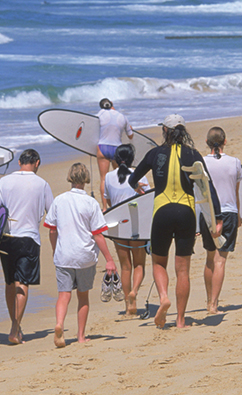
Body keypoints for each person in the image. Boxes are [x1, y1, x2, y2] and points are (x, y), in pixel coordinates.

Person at [128, 114, 205, 329]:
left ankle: (163, 297)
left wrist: (137, 187)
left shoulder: (154, 153)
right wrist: (215, 219)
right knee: (183, 270)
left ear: (165, 131)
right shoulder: (193, 154)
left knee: (159, 263)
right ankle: (180, 320)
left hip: (162, 212)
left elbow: (133, 179)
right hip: (186, 213)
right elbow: (208, 188)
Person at [0, 149, 54, 345]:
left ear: (20, 162)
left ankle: (15, 324)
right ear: (37, 163)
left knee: (9, 282)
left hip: (6, 239)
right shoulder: (42, 184)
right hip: (29, 239)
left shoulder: (4, 182)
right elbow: (53, 215)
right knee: (22, 282)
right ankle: (15, 328)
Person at [44, 163, 117, 348]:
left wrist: (55, 249)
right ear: (85, 179)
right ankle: (81, 336)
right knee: (83, 296)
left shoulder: (59, 200)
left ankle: (59, 324)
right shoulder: (91, 203)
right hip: (85, 256)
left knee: (64, 294)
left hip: (64, 255)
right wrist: (109, 259)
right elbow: (97, 234)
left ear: (70, 177)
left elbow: (52, 231)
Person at [102, 144, 149, 315]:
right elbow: (147, 200)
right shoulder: (140, 174)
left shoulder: (108, 177)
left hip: (118, 225)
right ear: (132, 159)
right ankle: (134, 292)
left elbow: (107, 202)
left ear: (115, 159)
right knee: (139, 264)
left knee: (125, 266)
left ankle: (128, 306)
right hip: (137, 225)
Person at [201, 127, 242, 314]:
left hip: (208, 213)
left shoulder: (200, 163)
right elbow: (235, 192)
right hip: (228, 212)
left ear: (207, 143)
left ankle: (209, 299)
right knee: (220, 261)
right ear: (225, 141)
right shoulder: (234, 162)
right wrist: (239, 214)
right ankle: (214, 304)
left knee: (210, 258)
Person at [96, 98, 134, 184]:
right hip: (117, 149)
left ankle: (105, 198)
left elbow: (93, 131)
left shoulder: (99, 115)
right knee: (120, 176)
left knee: (103, 179)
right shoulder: (123, 117)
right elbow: (130, 136)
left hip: (103, 148)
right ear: (111, 103)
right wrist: (130, 129)